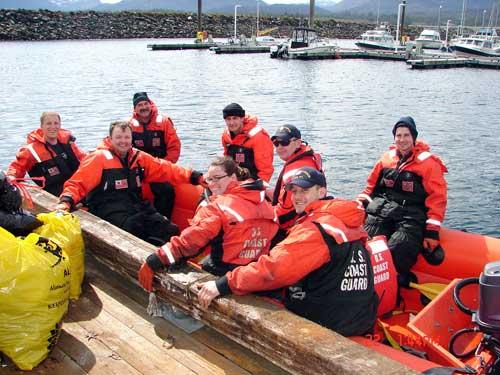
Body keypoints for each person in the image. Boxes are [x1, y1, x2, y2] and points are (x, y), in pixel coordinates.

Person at [196, 167, 379, 337]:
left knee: (255, 290)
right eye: (294, 191)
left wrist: (223, 284)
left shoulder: (314, 230)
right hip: (361, 316)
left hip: (332, 321)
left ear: (321, 192)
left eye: (304, 191)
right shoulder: (347, 220)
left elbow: (272, 270)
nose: (297, 197)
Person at [138, 156, 279, 292]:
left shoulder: (219, 208)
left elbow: (190, 242)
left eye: (217, 178)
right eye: (209, 179)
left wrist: (156, 259)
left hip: (224, 273)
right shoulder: (265, 204)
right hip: (255, 274)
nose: (212, 184)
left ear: (233, 177)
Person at [55, 121, 205, 246]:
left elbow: (165, 168)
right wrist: (66, 200)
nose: (123, 141)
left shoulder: (138, 158)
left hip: (136, 205)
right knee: (136, 230)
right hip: (108, 208)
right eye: (119, 137)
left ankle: (169, 259)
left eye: (127, 137)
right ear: (110, 138)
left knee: (170, 229)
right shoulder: (98, 158)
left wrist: (194, 176)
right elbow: (78, 183)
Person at [357, 116, 448, 286]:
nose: (402, 140)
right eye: (398, 135)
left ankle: (392, 291)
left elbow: (437, 199)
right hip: (382, 213)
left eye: (406, 135)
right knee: (364, 249)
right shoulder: (386, 159)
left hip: (411, 218)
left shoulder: (428, 164)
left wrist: (432, 231)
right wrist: (359, 206)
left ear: (414, 137)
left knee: (394, 253)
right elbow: (370, 188)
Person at [7, 111, 87, 196]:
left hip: (78, 187)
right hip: (56, 195)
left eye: (56, 123)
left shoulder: (68, 143)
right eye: (49, 124)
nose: (53, 127)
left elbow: (85, 159)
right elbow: (17, 167)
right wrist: (11, 177)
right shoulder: (31, 151)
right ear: (42, 126)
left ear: (60, 125)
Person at [130, 92, 181, 219]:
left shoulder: (164, 122)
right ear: (135, 108)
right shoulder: (129, 125)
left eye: (146, 103)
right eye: (140, 105)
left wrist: (163, 167)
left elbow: (174, 148)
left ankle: (162, 221)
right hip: (137, 169)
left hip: (160, 167)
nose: (143, 107)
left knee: (166, 191)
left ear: (150, 104)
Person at [270, 124, 323, 229]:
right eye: (276, 143)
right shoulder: (307, 158)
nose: (279, 147)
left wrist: (261, 214)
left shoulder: (295, 172)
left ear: (298, 143)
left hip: (292, 226)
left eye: (284, 142)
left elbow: (287, 212)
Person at [221, 103, 274, 182]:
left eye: (235, 118)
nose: (231, 122)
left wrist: (259, 186)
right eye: (228, 119)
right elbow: (226, 160)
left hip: (253, 181)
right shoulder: (226, 135)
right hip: (234, 179)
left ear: (242, 118)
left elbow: (266, 169)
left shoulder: (259, 137)